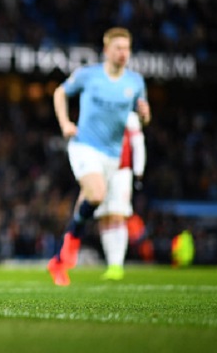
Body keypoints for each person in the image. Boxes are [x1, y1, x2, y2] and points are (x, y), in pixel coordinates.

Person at [48, 27, 150, 286]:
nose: (123, 53)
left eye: (127, 48)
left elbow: (143, 118)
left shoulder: (135, 82)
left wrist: (145, 114)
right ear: (106, 50)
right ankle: (67, 253)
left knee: (87, 204)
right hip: (84, 146)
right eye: (118, 48)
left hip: (112, 156)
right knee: (96, 194)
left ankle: (61, 260)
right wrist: (65, 123)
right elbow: (60, 93)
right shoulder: (88, 75)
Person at [97, 111, 146, 281]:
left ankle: (117, 264)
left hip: (121, 171)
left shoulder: (129, 116)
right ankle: (110, 263)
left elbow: (137, 143)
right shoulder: (98, 114)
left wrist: (138, 170)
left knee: (118, 215)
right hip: (101, 172)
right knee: (104, 217)